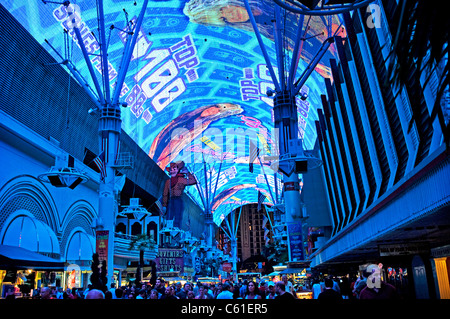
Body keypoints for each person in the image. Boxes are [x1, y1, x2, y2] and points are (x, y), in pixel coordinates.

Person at [162, 161, 197, 229]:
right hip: (171, 200)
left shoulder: (181, 180)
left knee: (178, 217)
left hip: (178, 200)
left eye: (174, 169)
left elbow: (193, 181)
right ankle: (168, 231)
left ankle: (176, 232)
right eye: (171, 169)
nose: (172, 170)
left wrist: (187, 173)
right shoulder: (168, 182)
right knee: (169, 216)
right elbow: (165, 194)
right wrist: (164, 205)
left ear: (178, 170)